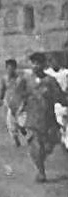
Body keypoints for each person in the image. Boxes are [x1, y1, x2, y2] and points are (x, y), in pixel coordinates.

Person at [15, 52, 67, 183]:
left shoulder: (50, 81)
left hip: (48, 119)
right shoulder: (26, 80)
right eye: (33, 63)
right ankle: (41, 172)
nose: (35, 66)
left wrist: (64, 101)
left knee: (49, 145)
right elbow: (18, 95)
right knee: (36, 145)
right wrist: (19, 110)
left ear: (44, 65)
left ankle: (41, 161)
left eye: (38, 63)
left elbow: (60, 97)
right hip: (32, 119)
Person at [0, 59, 24, 147]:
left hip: (19, 103)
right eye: (8, 68)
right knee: (10, 122)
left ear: (15, 68)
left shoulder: (20, 79)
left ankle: (22, 129)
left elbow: (25, 90)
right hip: (9, 103)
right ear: (6, 68)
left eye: (12, 68)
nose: (10, 70)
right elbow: (2, 89)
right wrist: (0, 99)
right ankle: (16, 139)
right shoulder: (4, 79)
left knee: (21, 121)